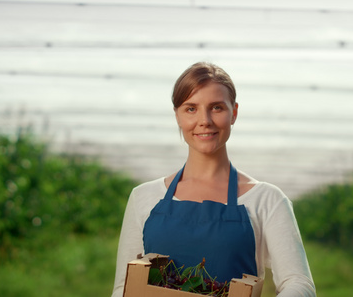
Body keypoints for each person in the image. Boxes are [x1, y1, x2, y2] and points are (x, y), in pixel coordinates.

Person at [111, 62, 316, 297]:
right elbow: (123, 287)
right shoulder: (143, 197)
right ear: (177, 115)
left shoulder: (267, 199)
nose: (205, 120)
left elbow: (299, 283)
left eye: (216, 107)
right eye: (191, 109)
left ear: (234, 113)